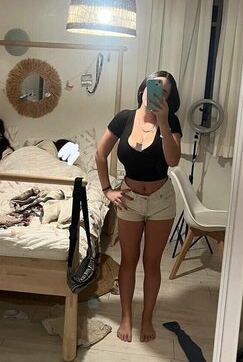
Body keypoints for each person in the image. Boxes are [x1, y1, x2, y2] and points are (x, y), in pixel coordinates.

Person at [95, 70, 182, 343]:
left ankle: (146, 318)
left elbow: (173, 160)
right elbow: (100, 154)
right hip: (129, 199)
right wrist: (107, 190)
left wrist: (164, 123)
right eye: (152, 87)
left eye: (163, 91)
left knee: (152, 263)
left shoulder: (172, 121)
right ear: (143, 90)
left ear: (168, 99)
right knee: (128, 260)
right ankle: (126, 316)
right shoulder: (124, 118)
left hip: (161, 200)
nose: (155, 94)